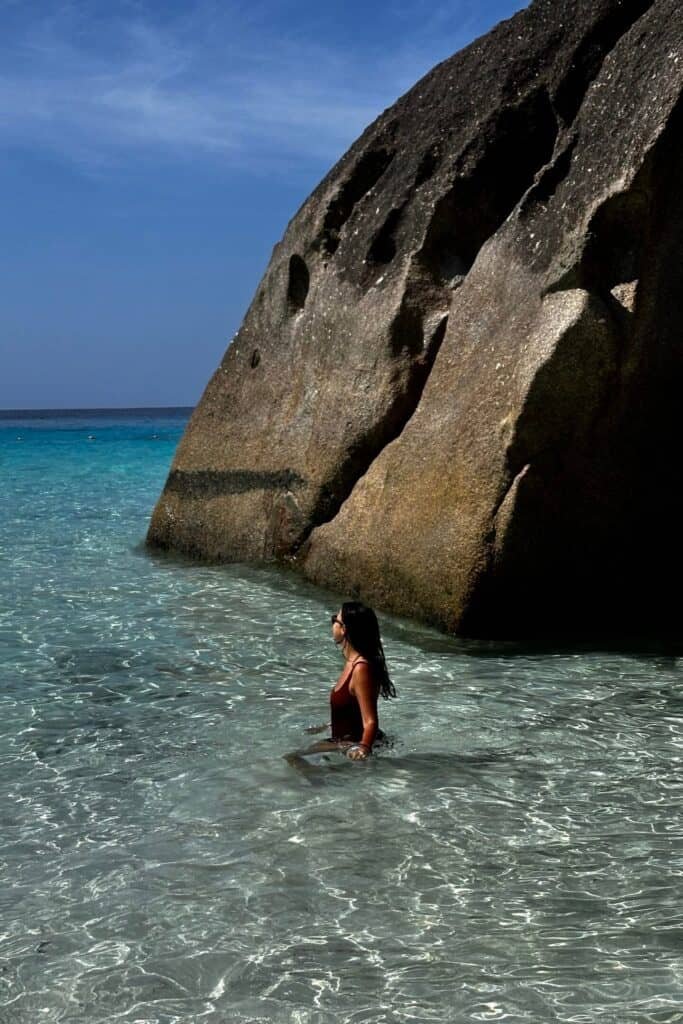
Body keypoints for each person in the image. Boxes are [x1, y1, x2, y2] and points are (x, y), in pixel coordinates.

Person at [292, 601, 397, 765]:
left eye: (335, 620)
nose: (332, 623)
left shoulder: (361, 668)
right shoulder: (351, 662)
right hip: (342, 741)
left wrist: (363, 748)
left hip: (352, 744)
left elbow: (370, 721)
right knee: (295, 758)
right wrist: (328, 726)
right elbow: (351, 709)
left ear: (344, 629)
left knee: (293, 758)